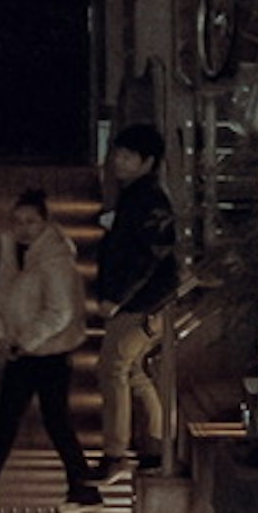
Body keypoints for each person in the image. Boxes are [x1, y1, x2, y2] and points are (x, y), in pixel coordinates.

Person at [0, 185, 100, 513]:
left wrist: (25, 339)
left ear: (46, 222)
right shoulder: (17, 254)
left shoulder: (54, 259)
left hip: (46, 353)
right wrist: (2, 331)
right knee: (40, 421)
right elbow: (3, 297)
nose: (24, 228)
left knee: (25, 421)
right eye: (18, 221)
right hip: (28, 351)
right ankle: (79, 488)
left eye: (31, 221)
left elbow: (60, 311)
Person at [93, 122, 183, 480]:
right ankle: (161, 444)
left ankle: (116, 454)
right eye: (118, 153)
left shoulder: (148, 199)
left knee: (112, 367)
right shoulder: (138, 195)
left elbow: (148, 255)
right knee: (131, 371)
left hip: (141, 303)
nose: (118, 160)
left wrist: (116, 297)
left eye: (128, 156)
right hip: (146, 301)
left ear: (148, 162)